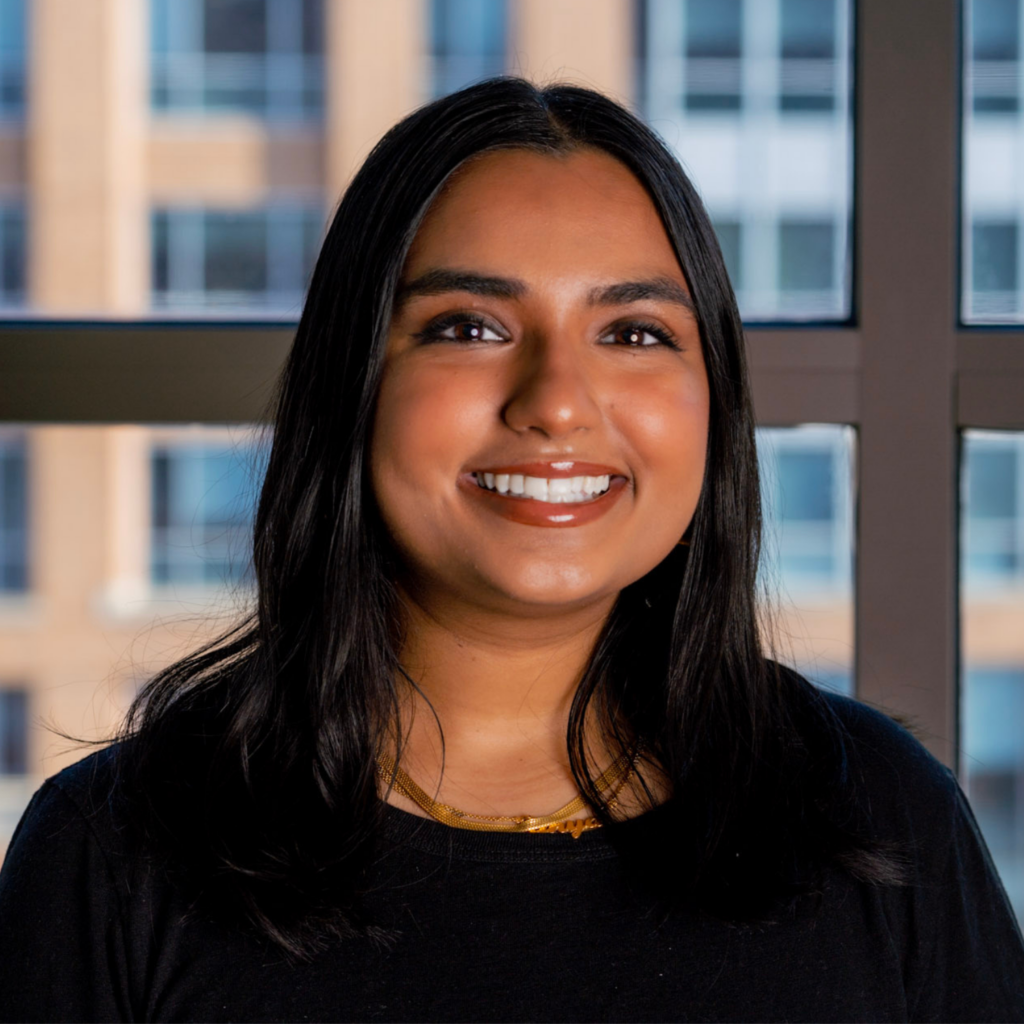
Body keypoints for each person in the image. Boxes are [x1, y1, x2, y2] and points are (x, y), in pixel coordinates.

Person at [1, 77, 1022, 1023]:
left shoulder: (878, 817)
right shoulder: (115, 853)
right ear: (353, 381)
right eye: (470, 325)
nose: (556, 402)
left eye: (632, 333)